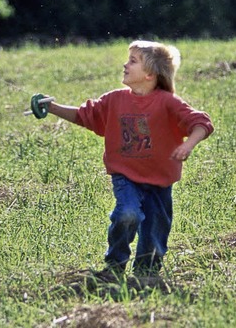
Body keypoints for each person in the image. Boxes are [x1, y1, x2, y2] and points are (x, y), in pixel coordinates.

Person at [33, 40, 214, 277]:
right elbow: (84, 115)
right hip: (126, 175)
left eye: (133, 61)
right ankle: (114, 266)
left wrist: (189, 145)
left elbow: (201, 123)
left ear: (150, 74)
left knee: (154, 234)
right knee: (127, 214)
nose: (125, 64)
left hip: (160, 181)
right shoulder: (114, 100)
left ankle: (146, 275)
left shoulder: (167, 102)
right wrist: (52, 107)